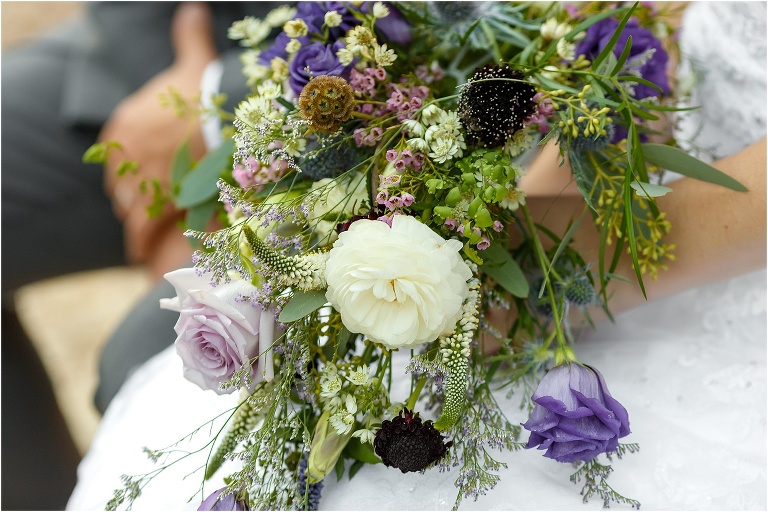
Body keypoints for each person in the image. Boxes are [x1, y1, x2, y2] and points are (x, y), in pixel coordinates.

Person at [64, 1, 765, 510]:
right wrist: (493, 214)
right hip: (601, 204)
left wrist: (563, 268)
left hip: (703, 260)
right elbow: (636, 48)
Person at [1, 3, 273, 509]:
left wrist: (217, 105)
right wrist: (176, 154)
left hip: (346, 108)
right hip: (159, 46)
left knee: (145, 367)